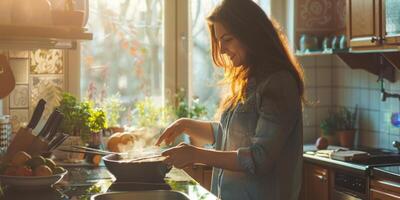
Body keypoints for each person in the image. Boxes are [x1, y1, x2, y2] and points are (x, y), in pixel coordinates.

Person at [156, 0, 305, 199]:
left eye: (227, 39)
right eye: (219, 41)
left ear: (250, 34)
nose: (222, 49)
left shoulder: (279, 83)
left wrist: (196, 154)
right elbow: (233, 135)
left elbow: (259, 158)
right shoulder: (250, 80)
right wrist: (186, 125)